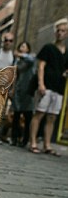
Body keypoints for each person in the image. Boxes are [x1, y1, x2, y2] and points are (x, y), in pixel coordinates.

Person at [29, 18, 68, 156]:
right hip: (46, 86)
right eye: (58, 30)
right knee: (39, 114)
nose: (60, 33)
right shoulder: (48, 48)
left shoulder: (67, 52)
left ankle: (47, 145)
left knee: (52, 117)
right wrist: (41, 84)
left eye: (63, 31)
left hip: (59, 88)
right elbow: (41, 66)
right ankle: (33, 143)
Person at [10, 41, 36, 147]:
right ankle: (14, 138)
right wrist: (12, 88)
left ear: (28, 49)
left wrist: (20, 55)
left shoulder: (31, 58)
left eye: (24, 46)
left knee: (28, 116)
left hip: (29, 90)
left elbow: (31, 59)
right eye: (20, 46)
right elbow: (15, 75)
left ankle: (25, 140)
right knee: (16, 116)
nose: (21, 48)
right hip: (19, 90)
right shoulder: (17, 61)